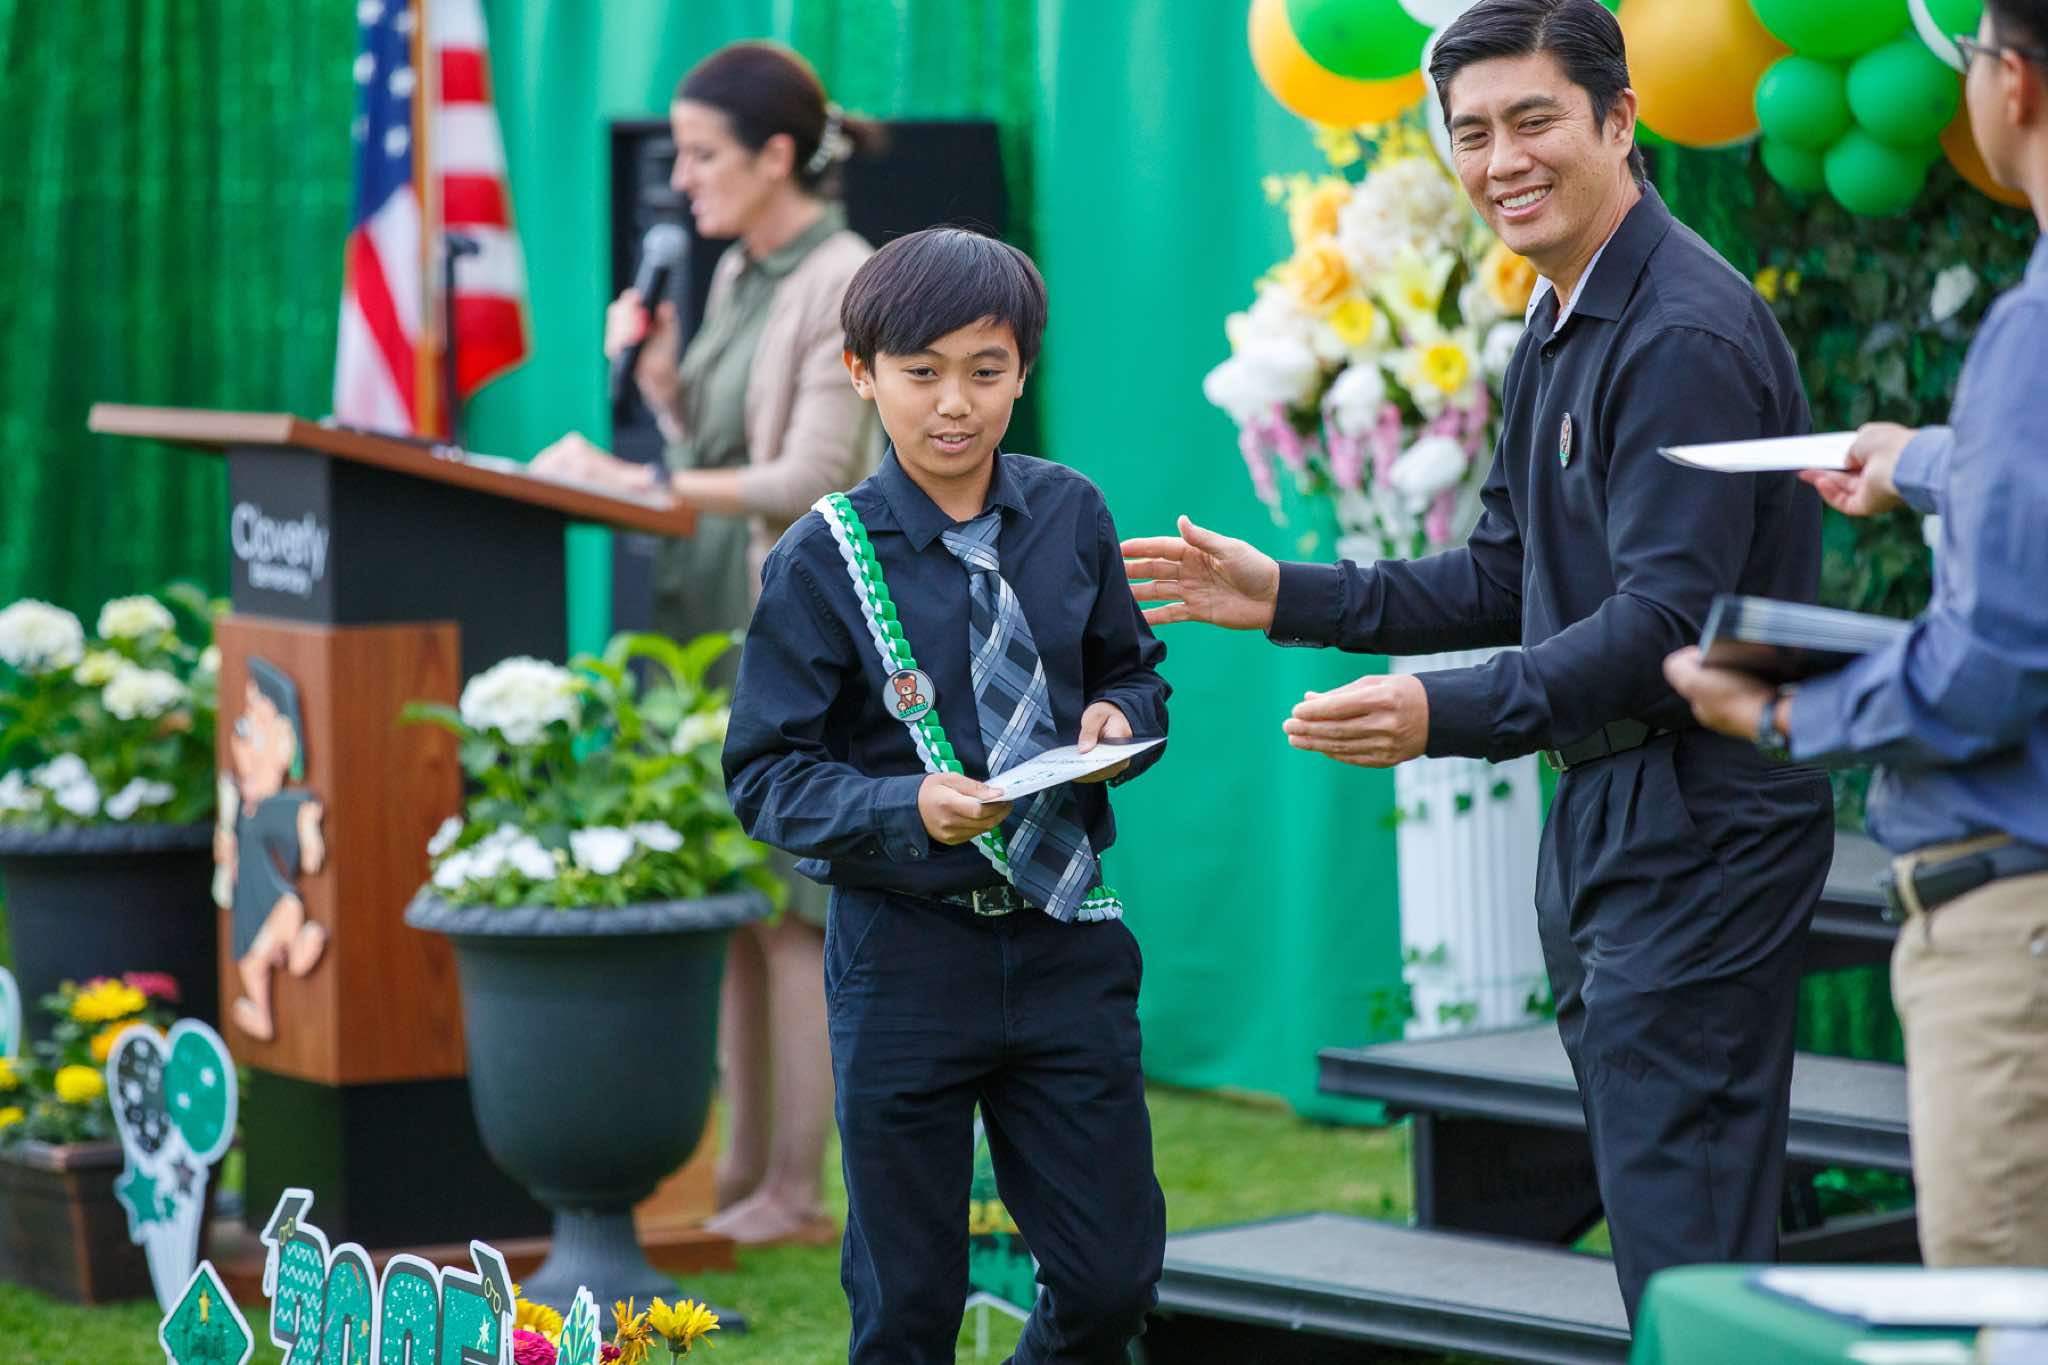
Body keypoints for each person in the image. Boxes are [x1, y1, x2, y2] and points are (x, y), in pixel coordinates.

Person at [1124, 0, 1831, 1319]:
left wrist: (1435, 713)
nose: (1501, 160)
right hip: (1616, 810)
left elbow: (1663, 627)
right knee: (1678, 1235)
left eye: (1532, 121)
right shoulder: (1559, 314)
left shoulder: (1678, 334)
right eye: (1471, 132)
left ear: (1619, 122)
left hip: (1699, 823)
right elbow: (1507, 572)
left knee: (1684, 1251)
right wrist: (1287, 596)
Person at [723, 227, 1170, 1363]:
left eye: (985, 369)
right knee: (908, 1305)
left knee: (1111, 1280)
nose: (954, 403)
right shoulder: (821, 558)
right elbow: (766, 776)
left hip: (1064, 937)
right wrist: (904, 808)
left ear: (1023, 371)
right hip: (904, 956)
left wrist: (1122, 721)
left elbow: (1130, 671)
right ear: (862, 374)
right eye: (920, 372)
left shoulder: (1070, 513)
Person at [1665, 0, 2048, 1270]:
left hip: (2017, 930)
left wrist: (1786, 708)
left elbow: (1989, 668)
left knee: (2008, 1317)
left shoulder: (2031, 330)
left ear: (2012, 84)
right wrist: (1924, 460)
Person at [532, 42, 878, 1246]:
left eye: (699, 155)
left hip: (789, 633)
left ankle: (797, 1192)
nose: (678, 180)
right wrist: (665, 390)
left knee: (790, 912)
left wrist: (632, 480)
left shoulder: (842, 278)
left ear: (776, 156)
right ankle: (737, 1176)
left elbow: (810, 476)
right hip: (697, 619)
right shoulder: (733, 269)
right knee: (736, 903)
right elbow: (721, 449)